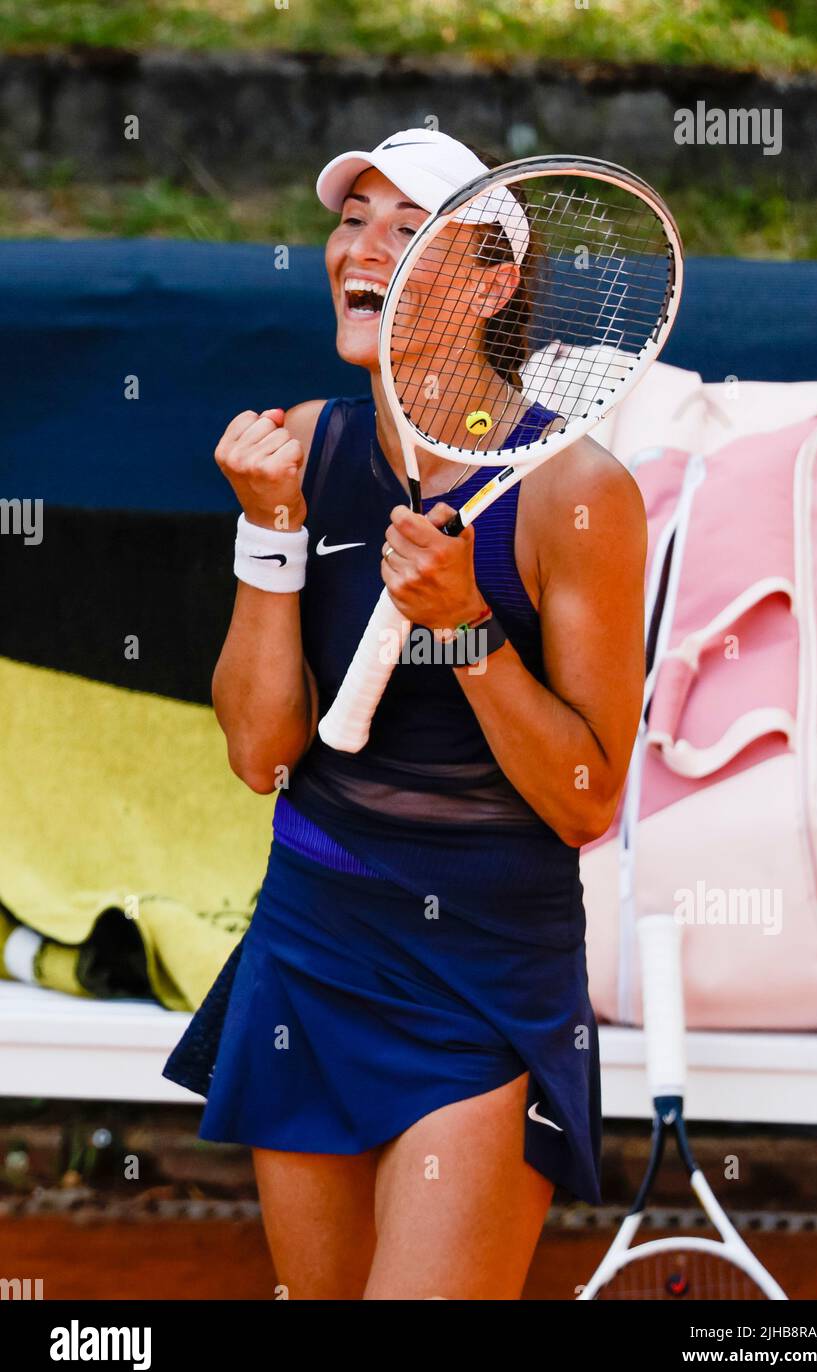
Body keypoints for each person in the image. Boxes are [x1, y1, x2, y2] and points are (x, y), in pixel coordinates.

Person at [163, 128, 647, 1301]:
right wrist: (270, 538)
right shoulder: (300, 450)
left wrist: (470, 630)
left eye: (403, 225)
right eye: (349, 218)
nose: (358, 246)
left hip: (482, 984)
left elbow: (587, 803)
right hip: (312, 950)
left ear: (487, 282)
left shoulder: (577, 494)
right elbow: (257, 750)